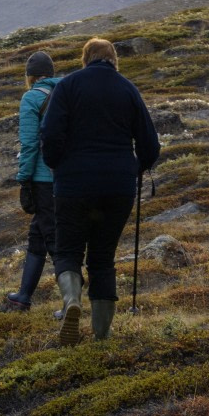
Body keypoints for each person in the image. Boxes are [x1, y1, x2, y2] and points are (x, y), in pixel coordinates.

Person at [42, 38, 161, 345]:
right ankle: (102, 335)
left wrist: (57, 164)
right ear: (114, 60)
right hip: (118, 187)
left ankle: (71, 301)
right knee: (103, 257)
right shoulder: (128, 89)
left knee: (67, 251)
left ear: (85, 59)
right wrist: (134, 167)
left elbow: (51, 134)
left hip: (73, 184)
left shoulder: (67, 87)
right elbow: (150, 145)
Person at [5, 50, 63, 312]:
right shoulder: (68, 92)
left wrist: (24, 179)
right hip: (68, 175)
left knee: (52, 237)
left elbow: (29, 145)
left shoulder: (31, 98)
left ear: (30, 77)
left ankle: (70, 300)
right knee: (38, 234)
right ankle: (23, 295)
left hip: (42, 180)